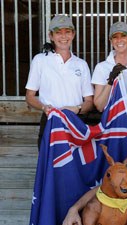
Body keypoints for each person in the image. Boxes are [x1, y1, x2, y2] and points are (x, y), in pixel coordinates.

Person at [25, 15, 94, 149]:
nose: (63, 36)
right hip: (50, 121)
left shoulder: (81, 64)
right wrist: (44, 107)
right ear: (50, 36)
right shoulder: (40, 60)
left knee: (74, 167)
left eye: (67, 32)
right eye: (58, 32)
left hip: (75, 122)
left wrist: (77, 108)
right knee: (49, 166)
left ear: (73, 34)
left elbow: (89, 102)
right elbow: (29, 96)